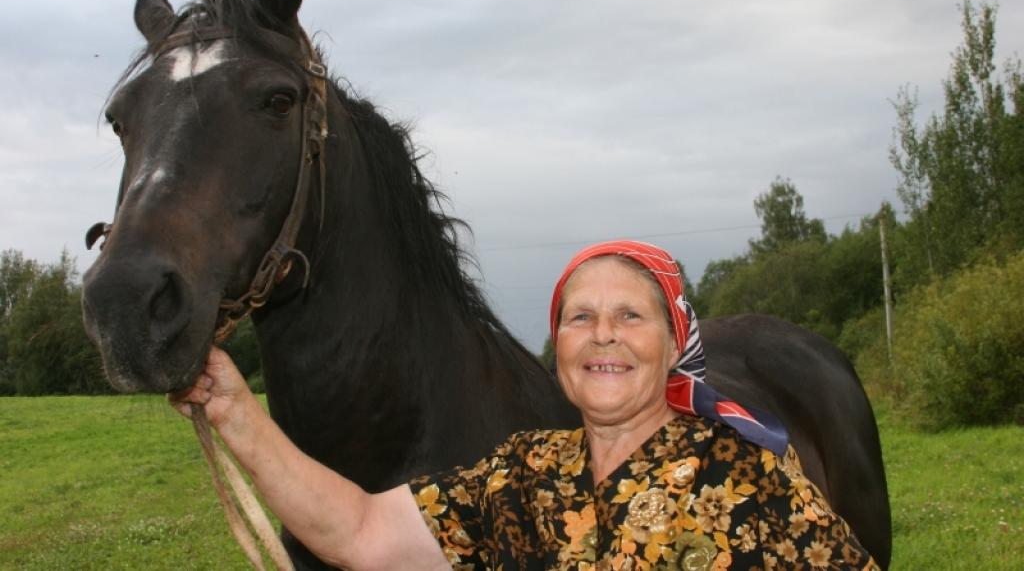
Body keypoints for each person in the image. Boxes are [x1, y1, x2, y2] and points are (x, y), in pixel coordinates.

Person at [172, 240, 878, 570]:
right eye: (579, 317)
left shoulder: (747, 481)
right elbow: (359, 530)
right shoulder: (525, 474)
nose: (603, 334)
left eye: (631, 316)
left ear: (674, 345)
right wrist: (235, 406)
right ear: (560, 349)